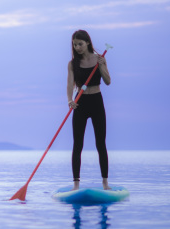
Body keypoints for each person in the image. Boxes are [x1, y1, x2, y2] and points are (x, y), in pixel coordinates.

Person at [66, 30, 111, 190]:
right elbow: (70, 85)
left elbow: (108, 81)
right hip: (80, 103)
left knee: (101, 143)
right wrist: (70, 100)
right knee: (77, 144)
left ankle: (105, 183)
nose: (77, 47)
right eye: (74, 44)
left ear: (88, 43)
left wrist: (102, 65)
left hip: (97, 101)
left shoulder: (99, 58)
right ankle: (76, 185)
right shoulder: (72, 64)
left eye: (80, 44)